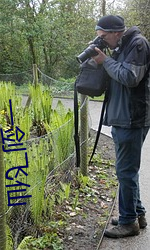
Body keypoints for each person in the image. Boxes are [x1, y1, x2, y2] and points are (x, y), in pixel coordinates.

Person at [92, 15, 150, 238]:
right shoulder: (121, 46)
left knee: (125, 171)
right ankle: (137, 214)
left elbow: (129, 77)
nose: (103, 41)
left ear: (116, 32)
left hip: (132, 118)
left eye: (104, 37)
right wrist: (102, 60)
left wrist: (105, 61)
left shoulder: (138, 44)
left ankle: (128, 223)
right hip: (122, 117)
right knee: (127, 171)